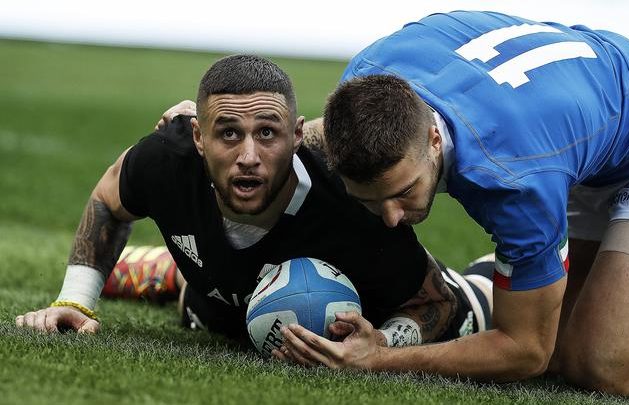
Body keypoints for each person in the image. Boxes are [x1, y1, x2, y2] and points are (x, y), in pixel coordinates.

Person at [278, 11, 629, 396]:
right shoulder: (362, 89)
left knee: (603, 364)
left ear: (434, 139)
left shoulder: (512, 181)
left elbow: (525, 350)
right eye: (369, 199)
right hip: (577, 134)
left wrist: (378, 359)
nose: (392, 218)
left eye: (404, 192)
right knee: (567, 337)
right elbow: (307, 139)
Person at [14, 55, 493, 351]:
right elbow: (107, 200)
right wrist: (75, 301)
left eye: (267, 133)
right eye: (228, 133)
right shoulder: (168, 158)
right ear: (199, 137)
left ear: (297, 134)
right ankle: (172, 272)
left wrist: (384, 345)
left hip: (411, 304)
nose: (248, 157)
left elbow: (437, 302)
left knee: (479, 304)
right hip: (220, 302)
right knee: (208, 296)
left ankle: (167, 271)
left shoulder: (351, 202)